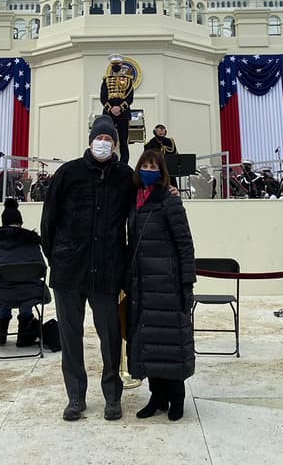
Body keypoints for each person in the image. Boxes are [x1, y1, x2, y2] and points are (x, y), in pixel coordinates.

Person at [40, 115, 133, 422]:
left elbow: (139, 213)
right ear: (90, 139)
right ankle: (75, 397)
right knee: (70, 337)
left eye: (108, 139)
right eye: (99, 138)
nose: (103, 143)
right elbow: (48, 222)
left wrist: (167, 191)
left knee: (109, 336)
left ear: (116, 144)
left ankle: (112, 397)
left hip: (107, 272)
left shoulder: (124, 176)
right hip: (69, 272)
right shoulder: (68, 173)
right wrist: (58, 257)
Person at [127, 149, 195, 421]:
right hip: (142, 284)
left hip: (167, 283)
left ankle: (176, 398)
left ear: (162, 169)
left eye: (153, 165)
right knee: (150, 343)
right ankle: (157, 396)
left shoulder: (170, 200)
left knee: (171, 342)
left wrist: (186, 283)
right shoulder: (134, 200)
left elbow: (185, 243)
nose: (148, 169)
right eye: (144, 164)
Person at [0, 199, 49, 348]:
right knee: (23, 289)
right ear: (20, 223)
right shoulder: (32, 242)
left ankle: (1, 334)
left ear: (3, 223)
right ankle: (24, 334)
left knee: (3, 286)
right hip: (30, 292)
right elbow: (41, 268)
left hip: (2, 293)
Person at [99, 55, 135, 165]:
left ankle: (124, 163)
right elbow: (103, 97)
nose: (115, 66)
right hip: (109, 114)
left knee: (123, 141)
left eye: (117, 64)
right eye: (113, 64)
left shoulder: (128, 80)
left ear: (121, 65)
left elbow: (130, 98)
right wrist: (111, 109)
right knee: (107, 138)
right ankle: (106, 160)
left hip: (123, 114)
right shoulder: (106, 80)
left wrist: (120, 108)